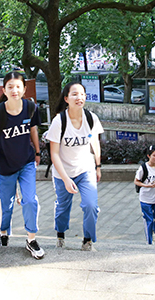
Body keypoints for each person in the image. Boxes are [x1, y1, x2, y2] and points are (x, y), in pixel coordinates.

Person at [0, 72, 44, 259]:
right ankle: (3, 232)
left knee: (30, 200)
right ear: (4, 90)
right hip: (6, 168)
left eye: (18, 86)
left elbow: (33, 129)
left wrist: (37, 152)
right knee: (6, 206)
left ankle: (31, 239)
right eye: (10, 87)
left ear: (24, 89)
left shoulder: (30, 107)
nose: (14, 90)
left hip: (26, 163)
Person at [46, 82, 104, 251]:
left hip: (85, 169)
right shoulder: (59, 121)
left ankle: (87, 240)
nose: (79, 97)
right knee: (63, 208)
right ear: (66, 99)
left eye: (82, 94)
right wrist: (65, 179)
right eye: (74, 94)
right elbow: (54, 153)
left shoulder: (91, 118)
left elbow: (95, 142)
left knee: (91, 205)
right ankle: (60, 235)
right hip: (63, 172)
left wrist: (98, 166)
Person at [134, 145, 155, 245]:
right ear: (149, 156)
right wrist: (146, 185)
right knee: (149, 221)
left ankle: (154, 232)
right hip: (146, 199)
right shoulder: (143, 168)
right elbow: (136, 181)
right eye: (154, 155)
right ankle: (149, 243)